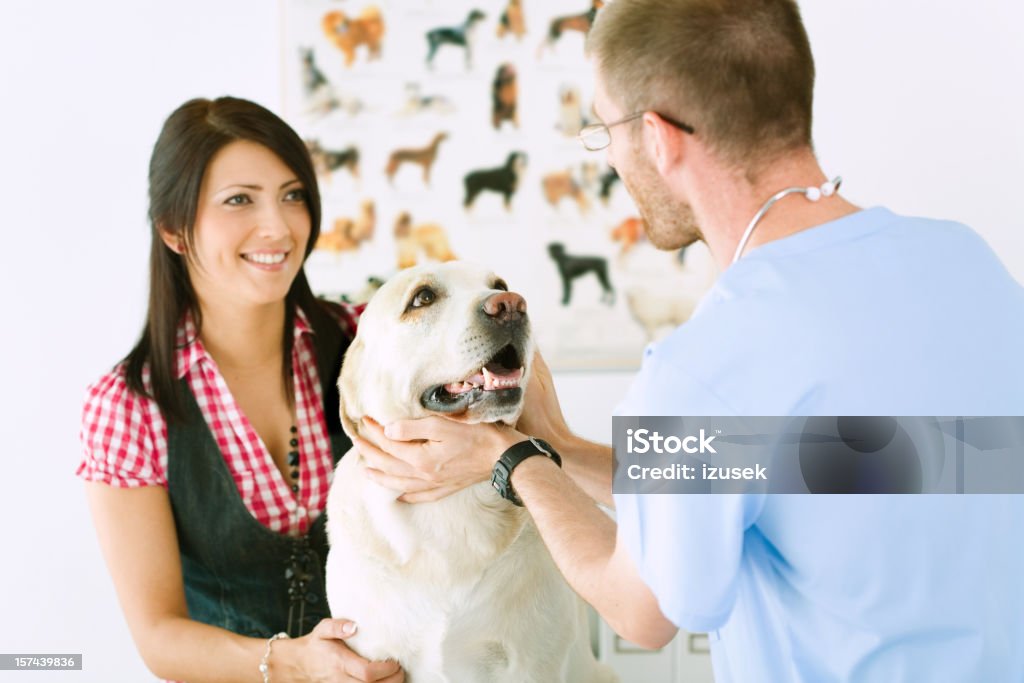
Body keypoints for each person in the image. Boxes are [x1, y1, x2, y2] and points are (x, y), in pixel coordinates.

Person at [351, 1, 1024, 681]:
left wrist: (512, 456)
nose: (611, 155)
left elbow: (642, 610)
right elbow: (837, 469)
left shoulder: (706, 363)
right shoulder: (967, 262)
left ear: (658, 137)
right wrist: (563, 450)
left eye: (604, 129)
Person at [78, 96, 403, 683]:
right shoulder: (129, 407)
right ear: (175, 230)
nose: (279, 227)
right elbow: (159, 637)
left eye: (293, 194)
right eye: (239, 200)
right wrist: (293, 662)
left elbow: (512, 422)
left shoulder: (369, 340)